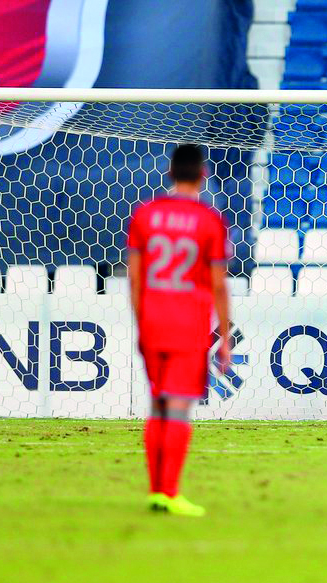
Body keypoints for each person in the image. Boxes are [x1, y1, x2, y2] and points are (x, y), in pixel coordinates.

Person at [126, 144, 231, 517]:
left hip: (151, 319)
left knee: (157, 404)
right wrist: (226, 334)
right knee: (179, 407)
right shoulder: (209, 220)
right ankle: (170, 493)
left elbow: (135, 277)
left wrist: (140, 319)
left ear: (169, 174)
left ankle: (156, 492)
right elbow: (219, 282)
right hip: (188, 322)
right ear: (203, 175)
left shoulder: (145, 214)